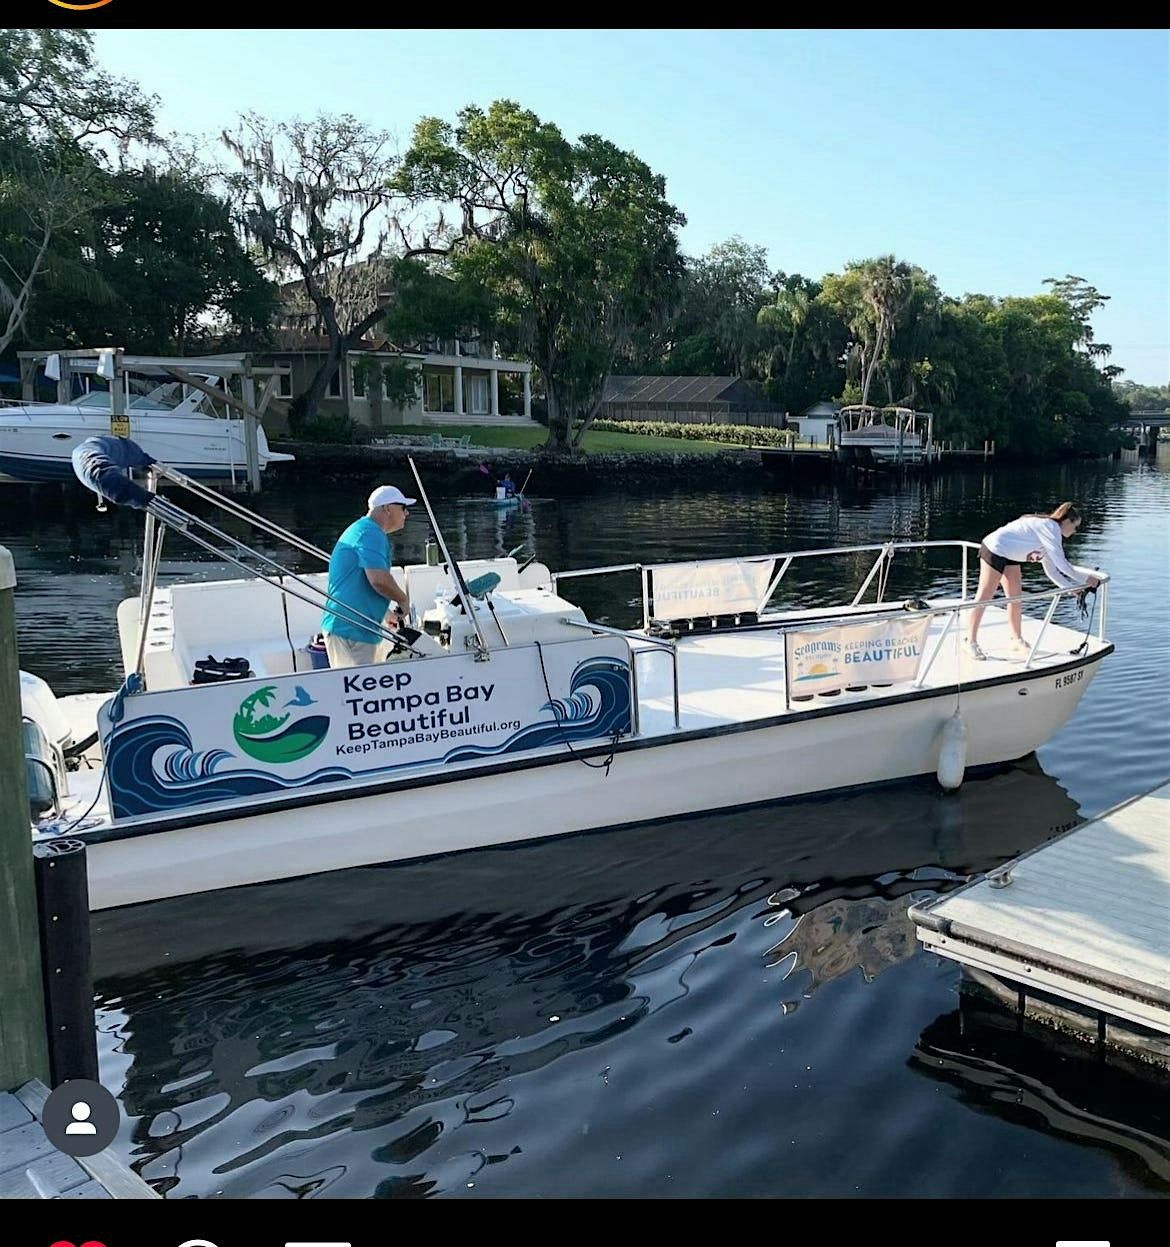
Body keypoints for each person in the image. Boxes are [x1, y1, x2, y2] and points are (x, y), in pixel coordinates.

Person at [965, 501, 1099, 659]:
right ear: (1067, 521)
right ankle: (970, 641)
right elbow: (1064, 566)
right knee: (985, 595)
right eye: (1075, 527)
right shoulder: (1050, 528)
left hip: (1010, 554)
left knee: (1015, 598)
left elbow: (1053, 571)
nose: (1075, 531)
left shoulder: (1051, 537)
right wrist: (1088, 579)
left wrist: (1072, 590)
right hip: (995, 549)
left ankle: (1016, 639)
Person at [320, 485, 414, 668]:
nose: (407, 513)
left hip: (356, 628)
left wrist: (385, 613)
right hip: (352, 631)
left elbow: (358, 578)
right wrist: (403, 600)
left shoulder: (364, 530)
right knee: (360, 693)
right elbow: (378, 579)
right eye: (403, 507)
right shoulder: (371, 533)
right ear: (387, 508)